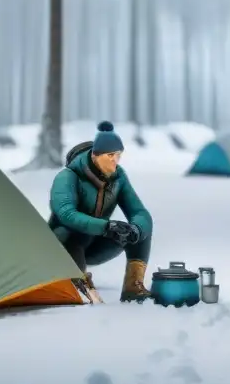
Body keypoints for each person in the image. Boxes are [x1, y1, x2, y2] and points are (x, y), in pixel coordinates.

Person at [47, 121, 154, 303]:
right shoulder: (68, 177)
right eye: (110, 155)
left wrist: (135, 230)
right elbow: (66, 213)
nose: (115, 161)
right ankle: (80, 284)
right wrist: (106, 226)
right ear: (95, 155)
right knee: (69, 234)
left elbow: (139, 211)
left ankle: (133, 285)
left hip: (95, 245)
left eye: (118, 156)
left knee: (139, 231)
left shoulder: (118, 177)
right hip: (62, 246)